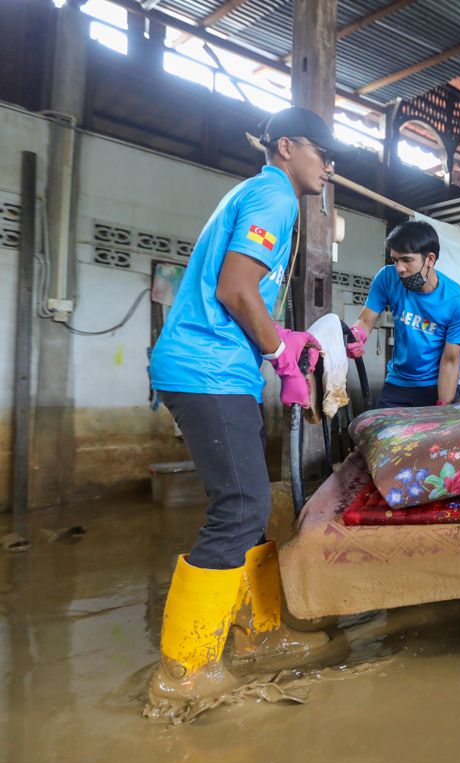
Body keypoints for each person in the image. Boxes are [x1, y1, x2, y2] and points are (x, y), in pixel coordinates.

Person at [146, 107, 348, 712]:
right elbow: (235, 288)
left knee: (252, 503)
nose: (329, 165)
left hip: (220, 367)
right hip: (204, 367)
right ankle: (184, 668)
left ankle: (259, 635)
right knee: (240, 504)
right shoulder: (274, 196)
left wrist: (296, 342)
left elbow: (243, 293)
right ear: (286, 146)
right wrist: (279, 352)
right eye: (322, 151)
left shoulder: (262, 195)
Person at [345, 221, 460, 408]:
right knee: (382, 435)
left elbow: (450, 362)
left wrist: (443, 407)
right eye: (395, 260)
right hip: (397, 381)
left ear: (430, 259)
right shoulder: (387, 278)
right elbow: (365, 320)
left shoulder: (458, 303)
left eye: (407, 260)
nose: (399, 269)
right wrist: (357, 335)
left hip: (434, 384)